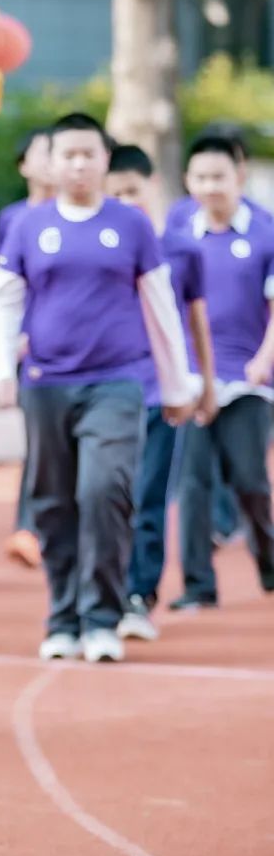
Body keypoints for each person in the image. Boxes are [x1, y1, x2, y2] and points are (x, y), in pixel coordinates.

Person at [0, 113, 195, 664]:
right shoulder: (29, 227)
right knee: (53, 504)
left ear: (106, 160)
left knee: (105, 492)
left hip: (117, 383)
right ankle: (64, 616)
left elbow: (161, 308)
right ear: (51, 162)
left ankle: (102, 615)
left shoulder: (131, 225)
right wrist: (3, 371)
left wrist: (176, 386)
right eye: (68, 154)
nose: (78, 164)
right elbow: (2, 302)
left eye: (89, 154)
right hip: (47, 385)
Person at [107, 144, 218, 638]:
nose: (127, 201)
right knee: (103, 497)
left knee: (149, 500)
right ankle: (101, 592)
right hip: (107, 394)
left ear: (152, 187)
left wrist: (205, 385)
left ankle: (138, 595)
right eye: (117, 194)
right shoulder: (99, 246)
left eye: (133, 190)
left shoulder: (181, 249)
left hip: (161, 396)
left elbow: (196, 323)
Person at [170, 133, 274, 611]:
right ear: (189, 181)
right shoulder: (177, 229)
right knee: (192, 483)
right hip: (192, 379)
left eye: (219, 177)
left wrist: (263, 361)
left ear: (240, 177)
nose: (210, 187)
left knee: (250, 480)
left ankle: (269, 563)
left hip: (250, 380)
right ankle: (197, 586)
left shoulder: (266, 231)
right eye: (201, 178)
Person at [0, 129, 55, 571]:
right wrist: (5, 340)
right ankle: (28, 529)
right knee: (40, 444)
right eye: (43, 152)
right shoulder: (13, 220)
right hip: (30, 352)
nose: (53, 161)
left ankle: (48, 526)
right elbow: (4, 290)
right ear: (25, 165)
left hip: (71, 350)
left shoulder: (80, 216)